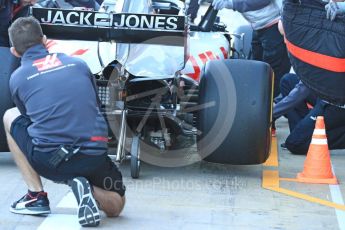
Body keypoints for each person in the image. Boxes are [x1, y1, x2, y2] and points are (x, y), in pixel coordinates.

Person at [3, 17, 125, 227]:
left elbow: (29, 120)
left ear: (14, 51)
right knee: (117, 206)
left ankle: (36, 196)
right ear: (45, 40)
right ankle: (87, 186)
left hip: (51, 160)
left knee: (9, 115)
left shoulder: (17, 77)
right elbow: (95, 105)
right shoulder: (78, 64)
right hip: (93, 154)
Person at [212, 0, 291, 98]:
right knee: (257, 70)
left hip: (275, 27)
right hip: (258, 27)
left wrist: (232, 3)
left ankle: (268, 107)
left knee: (272, 74)